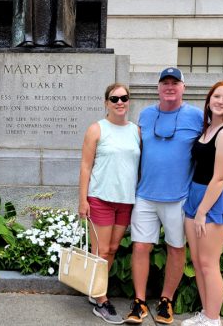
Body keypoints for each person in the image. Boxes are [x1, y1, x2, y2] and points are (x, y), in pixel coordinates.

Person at [125, 68, 203, 325]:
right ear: (158, 88)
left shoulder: (196, 116)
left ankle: (166, 300)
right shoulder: (146, 115)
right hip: (145, 195)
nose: (170, 87)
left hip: (179, 197)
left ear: (184, 87)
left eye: (175, 83)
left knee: (176, 249)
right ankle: (139, 302)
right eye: (165, 83)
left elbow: (213, 147)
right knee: (140, 246)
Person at [181, 82, 223, 326]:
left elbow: (219, 178)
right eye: (216, 96)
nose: (219, 101)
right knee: (198, 262)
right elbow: (219, 167)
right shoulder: (207, 129)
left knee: (209, 263)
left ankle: (213, 319)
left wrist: (201, 212)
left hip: (213, 201)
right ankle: (206, 313)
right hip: (195, 195)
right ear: (209, 100)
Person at [79, 83, 141, 324]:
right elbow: (85, 166)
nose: (119, 102)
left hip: (126, 200)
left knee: (113, 249)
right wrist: (82, 200)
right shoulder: (96, 129)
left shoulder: (136, 131)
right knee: (101, 251)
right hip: (100, 198)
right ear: (106, 103)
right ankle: (101, 299)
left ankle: (96, 290)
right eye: (114, 99)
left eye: (124, 98)